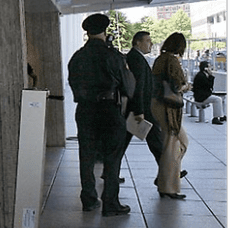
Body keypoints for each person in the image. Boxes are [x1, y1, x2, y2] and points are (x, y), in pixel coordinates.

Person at [68, 13, 135, 217]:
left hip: (85, 109)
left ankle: (89, 199)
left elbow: (73, 83)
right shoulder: (113, 55)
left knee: (86, 155)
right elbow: (128, 86)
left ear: (87, 33)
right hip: (109, 109)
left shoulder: (78, 57)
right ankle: (110, 202)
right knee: (113, 156)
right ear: (105, 32)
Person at [152, 32, 190, 200]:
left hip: (157, 104)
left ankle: (164, 178)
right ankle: (167, 187)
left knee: (179, 143)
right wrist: (187, 86)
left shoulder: (160, 59)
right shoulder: (172, 61)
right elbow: (177, 86)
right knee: (172, 145)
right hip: (168, 108)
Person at [122, 31, 163, 165]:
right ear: (138, 43)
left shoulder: (136, 57)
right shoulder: (136, 59)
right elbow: (138, 86)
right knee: (155, 140)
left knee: (154, 140)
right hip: (141, 108)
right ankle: (170, 171)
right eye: (148, 41)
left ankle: (170, 171)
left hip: (140, 108)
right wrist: (139, 110)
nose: (151, 44)